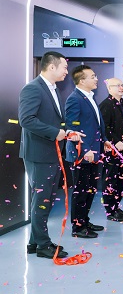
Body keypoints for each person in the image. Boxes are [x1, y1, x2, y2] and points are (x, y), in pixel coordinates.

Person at [19, 52, 83, 259]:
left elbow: (55, 121)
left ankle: (34, 242)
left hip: (51, 153)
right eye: (64, 67)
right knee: (42, 199)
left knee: (44, 199)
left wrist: (67, 132)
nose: (66, 71)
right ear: (52, 67)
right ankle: (43, 245)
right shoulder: (33, 88)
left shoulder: (53, 89)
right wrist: (55, 133)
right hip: (39, 154)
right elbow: (26, 120)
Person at [65, 65, 112, 238]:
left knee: (90, 189)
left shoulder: (90, 97)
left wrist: (104, 140)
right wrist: (84, 150)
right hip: (82, 154)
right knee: (81, 191)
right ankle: (77, 227)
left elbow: (97, 124)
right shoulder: (74, 99)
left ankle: (84, 221)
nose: (96, 79)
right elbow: (72, 128)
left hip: (94, 152)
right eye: (92, 76)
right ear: (82, 80)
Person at [99, 78, 123, 222]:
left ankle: (116, 206)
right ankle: (110, 211)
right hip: (112, 149)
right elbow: (103, 127)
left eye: (122, 85)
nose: (121, 88)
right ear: (109, 88)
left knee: (120, 179)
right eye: (117, 86)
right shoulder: (106, 105)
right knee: (110, 179)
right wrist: (116, 141)